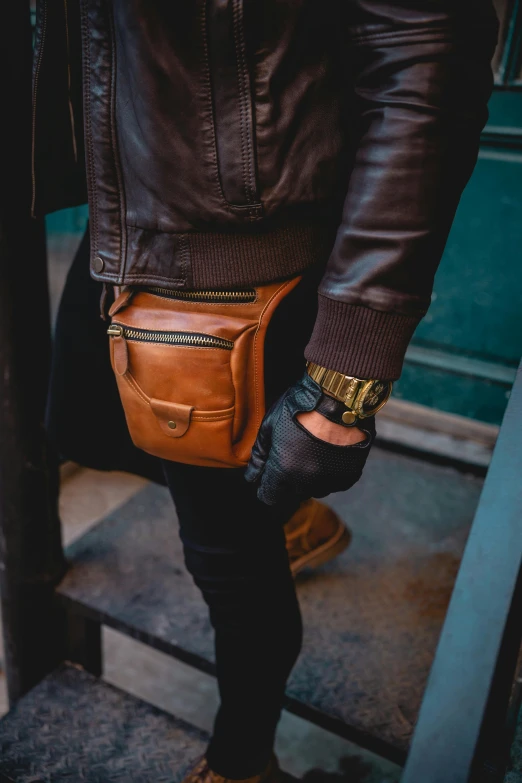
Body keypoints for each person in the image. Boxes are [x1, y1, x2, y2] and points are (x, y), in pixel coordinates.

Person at [34, 2, 498, 781]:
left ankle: (244, 758)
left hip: (237, 258)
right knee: (81, 424)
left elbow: (428, 62)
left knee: (226, 558)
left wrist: (343, 388)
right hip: (131, 213)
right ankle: (281, 510)